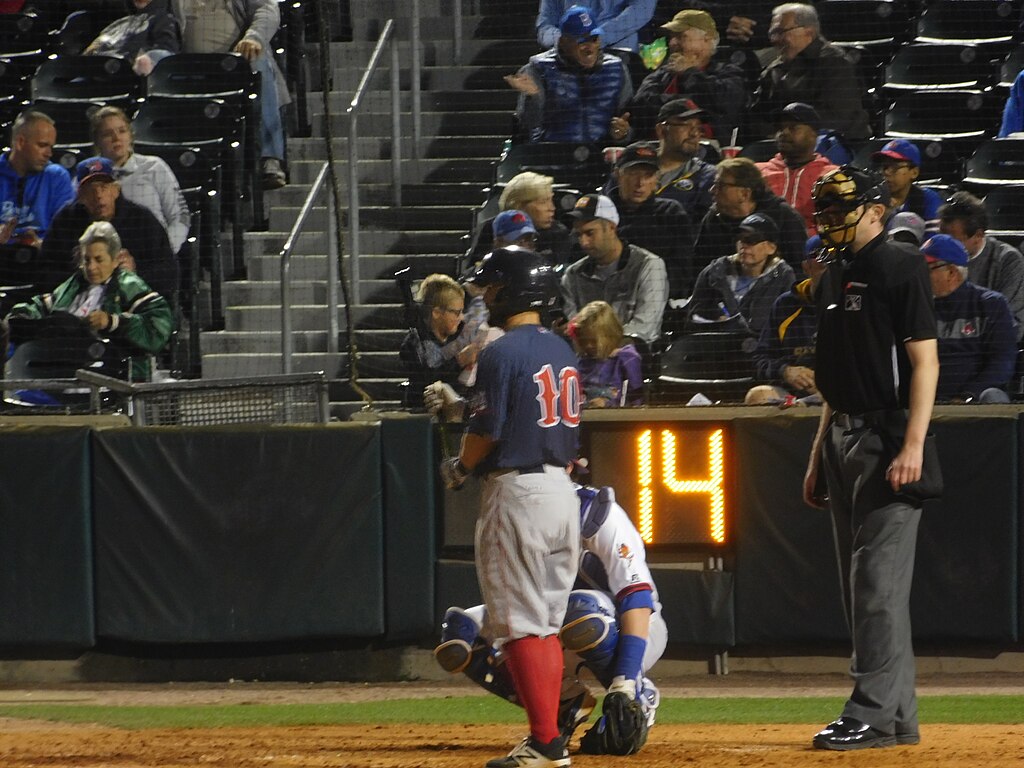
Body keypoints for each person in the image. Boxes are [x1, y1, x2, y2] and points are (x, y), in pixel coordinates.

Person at [803, 165, 939, 751]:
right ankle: (898, 717)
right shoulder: (834, 276)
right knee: (860, 588)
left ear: (874, 209)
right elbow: (833, 381)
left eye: (842, 210)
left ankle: (870, 712)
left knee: (875, 585)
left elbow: (926, 363)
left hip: (888, 441)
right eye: (825, 213)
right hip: (841, 440)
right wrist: (816, 455)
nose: (832, 221)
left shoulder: (900, 263)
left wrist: (913, 443)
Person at [438, 247, 582, 768]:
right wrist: (459, 406)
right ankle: (548, 737)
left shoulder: (499, 351)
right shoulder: (563, 349)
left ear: (513, 291)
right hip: (562, 492)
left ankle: (546, 742)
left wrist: (458, 466)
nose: (486, 297)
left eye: (493, 288)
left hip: (517, 492)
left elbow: (487, 430)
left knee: (521, 625)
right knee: (542, 621)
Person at [433, 481, 664, 757]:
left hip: (631, 630)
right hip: (552, 631)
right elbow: (514, 608)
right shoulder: (511, 517)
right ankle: (564, 703)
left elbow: (637, 597)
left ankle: (636, 694)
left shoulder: (595, 509)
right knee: (461, 635)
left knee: (581, 613)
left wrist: (625, 680)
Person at [5, 221, 173, 381]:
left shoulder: (129, 285)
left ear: (115, 260)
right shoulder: (75, 284)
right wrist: (23, 314)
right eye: (86, 260)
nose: (91, 267)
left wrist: (112, 321)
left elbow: (158, 328)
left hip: (111, 376)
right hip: (58, 369)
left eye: (99, 260)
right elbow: (41, 306)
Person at [170, 0, 289, 189]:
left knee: (258, 62)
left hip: (235, 65)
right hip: (191, 69)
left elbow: (267, 9)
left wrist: (254, 37)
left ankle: (269, 160)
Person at [40, 156, 178, 304]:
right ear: (80, 195)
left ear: (116, 190)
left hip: (130, 306)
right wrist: (82, 274)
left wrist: (135, 273)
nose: (98, 196)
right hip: (78, 307)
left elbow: (170, 273)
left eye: (103, 187)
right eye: (91, 190)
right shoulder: (65, 221)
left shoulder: (141, 220)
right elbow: (44, 274)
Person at [508, 6, 634, 145]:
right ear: (563, 41)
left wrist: (623, 134)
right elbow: (527, 130)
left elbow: (631, 123)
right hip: (552, 159)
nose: (589, 47)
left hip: (602, 160)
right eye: (581, 41)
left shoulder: (616, 68)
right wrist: (532, 99)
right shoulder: (539, 68)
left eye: (594, 39)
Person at [749, 3, 871, 142]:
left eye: (781, 32)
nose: (775, 40)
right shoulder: (773, 70)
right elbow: (756, 117)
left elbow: (840, 119)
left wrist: (787, 128)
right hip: (781, 148)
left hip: (833, 148)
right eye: (772, 33)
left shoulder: (835, 64)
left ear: (809, 32)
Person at [560, 194, 668, 344]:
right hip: (586, 362)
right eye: (579, 235)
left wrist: (600, 345)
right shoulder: (573, 275)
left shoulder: (649, 265)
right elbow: (573, 326)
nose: (583, 243)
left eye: (590, 233)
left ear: (611, 227)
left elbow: (644, 328)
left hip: (634, 361)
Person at [923, 234, 1016, 404]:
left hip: (976, 402)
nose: (920, 275)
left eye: (927, 268)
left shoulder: (991, 304)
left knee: (993, 396)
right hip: (928, 402)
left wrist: (968, 395)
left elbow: (1003, 360)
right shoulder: (921, 308)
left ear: (951, 272)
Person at [629, 9, 746, 142]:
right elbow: (641, 106)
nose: (672, 43)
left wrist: (689, 72)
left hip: (708, 151)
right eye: (671, 37)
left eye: (680, 36)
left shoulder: (728, 73)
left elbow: (725, 104)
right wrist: (692, 104)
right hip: (657, 148)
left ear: (707, 39)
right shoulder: (660, 75)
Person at [90, 106, 191, 254]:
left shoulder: (155, 167)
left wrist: (164, 250)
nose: (116, 138)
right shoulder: (88, 174)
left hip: (153, 254)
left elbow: (180, 217)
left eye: (122, 131)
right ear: (97, 142)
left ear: (131, 135)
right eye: (107, 134)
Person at [607, 142, 694, 298]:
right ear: (618, 174)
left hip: (658, 301)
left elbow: (682, 272)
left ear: (656, 179)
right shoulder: (600, 210)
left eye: (648, 175)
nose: (640, 183)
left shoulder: (671, 214)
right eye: (634, 173)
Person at [747, 234, 826, 404]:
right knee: (757, 396)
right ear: (806, 267)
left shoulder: (853, 301)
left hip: (840, 394)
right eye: (822, 262)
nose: (829, 269)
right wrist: (785, 371)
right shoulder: (787, 305)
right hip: (793, 396)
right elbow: (760, 359)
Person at [687, 211, 795, 336]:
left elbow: (787, 325)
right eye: (740, 238)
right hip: (716, 349)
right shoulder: (714, 273)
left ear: (771, 248)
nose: (744, 245)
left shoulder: (783, 277)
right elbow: (692, 320)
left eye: (752, 240)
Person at [938, 190, 1024, 342]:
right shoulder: (934, 258)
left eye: (953, 240)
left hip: (987, 352)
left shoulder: (1008, 261)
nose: (945, 244)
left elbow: (1009, 325)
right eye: (941, 235)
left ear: (978, 236)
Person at [694, 156, 807, 269]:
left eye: (720, 186)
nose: (712, 190)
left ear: (745, 194)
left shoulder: (784, 217)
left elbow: (800, 268)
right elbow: (699, 266)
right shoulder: (713, 218)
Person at [399, 274, 486, 407]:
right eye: (456, 312)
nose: (461, 317)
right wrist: (459, 360)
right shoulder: (414, 342)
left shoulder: (460, 334)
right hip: (425, 417)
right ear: (437, 313)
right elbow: (429, 378)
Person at [755, 102, 837, 237]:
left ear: (813, 135)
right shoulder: (757, 172)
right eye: (780, 128)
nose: (783, 133)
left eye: (793, 128)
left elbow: (836, 224)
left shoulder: (832, 175)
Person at [467, 172, 573, 268]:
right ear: (519, 206)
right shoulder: (492, 227)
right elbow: (475, 270)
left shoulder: (558, 233)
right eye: (543, 202)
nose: (552, 208)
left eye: (551, 200)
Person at [0, 111, 74, 247]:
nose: (49, 154)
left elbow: (66, 234)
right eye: (42, 145)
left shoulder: (57, 177)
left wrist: (41, 245)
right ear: (21, 143)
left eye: (51, 147)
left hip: (44, 261)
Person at [651, 99, 716, 222]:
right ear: (661, 130)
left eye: (698, 127)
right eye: (686, 125)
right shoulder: (633, 166)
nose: (694, 133)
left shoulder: (708, 177)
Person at [568, 300, 643, 407]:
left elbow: (636, 400)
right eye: (584, 340)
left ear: (610, 335)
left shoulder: (626, 359)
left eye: (594, 341)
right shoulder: (581, 361)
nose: (588, 345)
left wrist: (608, 404)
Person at [83, 0, 182, 76]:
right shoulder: (119, 23)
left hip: (126, 80)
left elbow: (167, 51)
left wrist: (150, 59)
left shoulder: (163, 19)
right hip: (91, 74)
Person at [536, 0, 656, 53]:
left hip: (616, 49)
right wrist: (564, 41)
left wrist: (598, 37)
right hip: (566, 52)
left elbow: (641, 11)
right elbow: (545, 26)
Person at [871, 140, 943, 227]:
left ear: (914, 172)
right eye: (884, 166)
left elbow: (932, 239)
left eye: (894, 167)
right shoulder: (872, 199)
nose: (886, 172)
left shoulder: (926, 200)